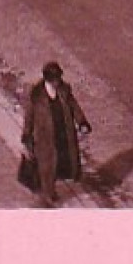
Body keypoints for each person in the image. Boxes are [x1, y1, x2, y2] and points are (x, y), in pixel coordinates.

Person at [21, 61, 92, 207]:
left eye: (58, 78)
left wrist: (82, 122)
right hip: (45, 138)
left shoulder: (64, 90)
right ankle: (48, 194)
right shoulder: (36, 96)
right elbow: (29, 117)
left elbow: (74, 106)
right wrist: (27, 136)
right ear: (47, 79)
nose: (57, 82)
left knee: (60, 162)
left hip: (63, 133)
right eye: (54, 80)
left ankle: (49, 191)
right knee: (46, 166)